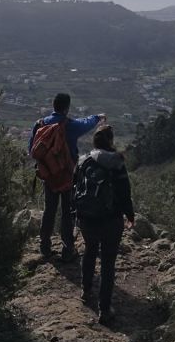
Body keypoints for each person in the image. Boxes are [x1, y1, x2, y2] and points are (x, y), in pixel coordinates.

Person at [29, 93, 104, 260]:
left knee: (49, 210)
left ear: (53, 106)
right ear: (67, 108)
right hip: (68, 175)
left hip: (48, 175)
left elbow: (31, 150)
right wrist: (97, 117)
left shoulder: (39, 124)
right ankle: (67, 249)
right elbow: (86, 123)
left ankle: (45, 246)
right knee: (68, 211)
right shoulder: (69, 125)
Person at [75, 124, 134, 325]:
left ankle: (85, 290)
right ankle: (104, 309)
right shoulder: (116, 162)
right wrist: (130, 215)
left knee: (89, 251)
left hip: (87, 218)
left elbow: (76, 188)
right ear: (110, 140)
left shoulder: (83, 160)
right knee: (108, 262)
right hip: (111, 220)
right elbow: (125, 192)